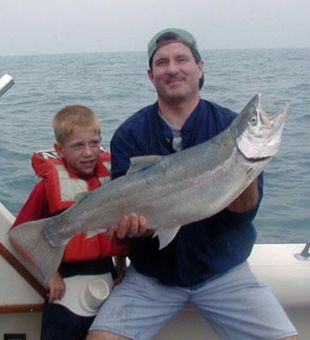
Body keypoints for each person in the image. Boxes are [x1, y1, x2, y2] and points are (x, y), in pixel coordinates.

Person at [87, 28, 298, 339]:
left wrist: (242, 168)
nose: (172, 69)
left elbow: (242, 214)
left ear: (200, 67)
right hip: (151, 278)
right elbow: (128, 216)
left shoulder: (228, 125)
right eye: (162, 63)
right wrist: (137, 225)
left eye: (182, 59)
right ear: (151, 74)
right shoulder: (129, 135)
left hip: (224, 273)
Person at [10, 105, 129, 340]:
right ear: (59, 149)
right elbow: (19, 235)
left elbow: (116, 231)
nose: (88, 153)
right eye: (78, 145)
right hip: (66, 287)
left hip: (107, 278)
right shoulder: (46, 188)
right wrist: (50, 274)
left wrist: (121, 267)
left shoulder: (112, 183)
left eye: (94, 143)